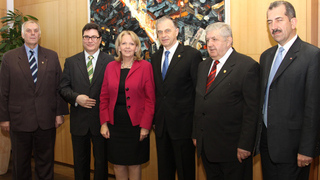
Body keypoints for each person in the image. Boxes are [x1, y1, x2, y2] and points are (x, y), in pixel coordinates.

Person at [256, 1, 320, 180]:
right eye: (269, 22)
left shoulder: (311, 55)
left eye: (278, 20)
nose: (273, 27)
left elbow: (313, 108)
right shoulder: (266, 56)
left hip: (294, 149)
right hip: (267, 146)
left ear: (293, 22)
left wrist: (307, 149)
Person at [0, 20, 69, 180]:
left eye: (35, 31)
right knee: (20, 162)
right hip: (19, 120)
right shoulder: (9, 58)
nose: (32, 33)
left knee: (45, 162)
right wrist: (4, 118)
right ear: (23, 34)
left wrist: (59, 113)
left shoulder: (51, 56)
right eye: (29, 31)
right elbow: (3, 90)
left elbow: (59, 87)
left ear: (40, 34)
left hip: (46, 119)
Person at [192, 22, 260, 180]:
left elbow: (252, 111)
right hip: (208, 147)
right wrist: (196, 134)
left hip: (233, 150)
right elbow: (200, 102)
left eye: (214, 39)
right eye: (208, 40)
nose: (210, 44)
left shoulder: (247, 66)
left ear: (229, 41)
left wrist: (245, 145)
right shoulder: (203, 66)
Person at [59, 23, 113, 180]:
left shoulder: (110, 61)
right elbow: (63, 88)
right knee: (80, 163)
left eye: (94, 37)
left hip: (102, 122)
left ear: (100, 40)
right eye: (87, 37)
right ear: (82, 39)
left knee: (101, 163)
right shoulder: (71, 61)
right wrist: (76, 98)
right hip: (79, 121)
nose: (90, 40)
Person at [151, 16, 203, 180]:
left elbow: (198, 93)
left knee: (185, 173)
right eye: (160, 32)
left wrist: (196, 128)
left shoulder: (191, 55)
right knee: (164, 173)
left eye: (167, 30)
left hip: (183, 128)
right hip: (161, 127)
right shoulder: (154, 58)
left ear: (177, 31)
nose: (164, 35)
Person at [100, 30, 155, 180]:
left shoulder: (145, 67)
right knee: (117, 164)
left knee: (134, 163)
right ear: (118, 47)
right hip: (114, 124)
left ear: (137, 48)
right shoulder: (110, 66)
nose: (127, 47)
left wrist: (145, 126)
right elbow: (104, 97)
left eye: (132, 44)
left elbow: (150, 99)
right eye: (124, 43)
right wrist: (104, 123)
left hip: (136, 125)